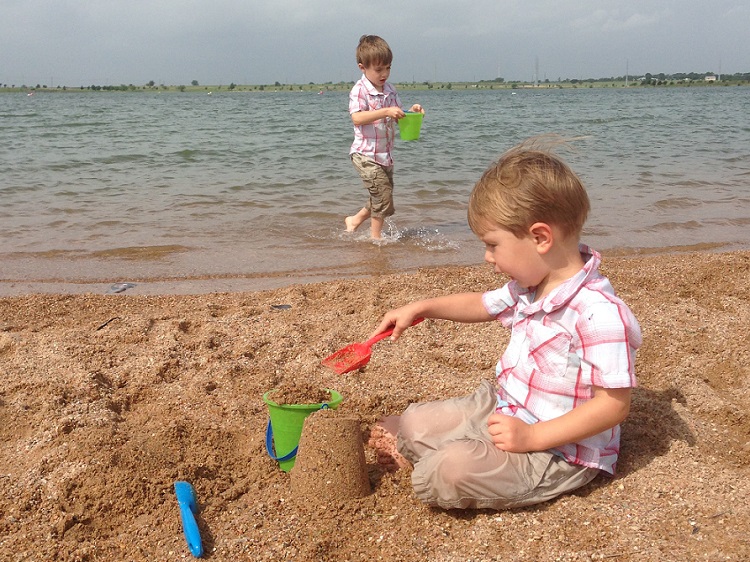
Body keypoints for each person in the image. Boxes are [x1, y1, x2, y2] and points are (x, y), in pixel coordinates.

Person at [368, 139, 643, 510]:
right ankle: (443, 449)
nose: (487, 257)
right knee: (414, 423)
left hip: (557, 449)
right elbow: (482, 304)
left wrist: (533, 437)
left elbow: (613, 407)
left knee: (451, 469)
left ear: (540, 237)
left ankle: (447, 459)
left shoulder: (598, 314)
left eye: (493, 245)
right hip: (507, 407)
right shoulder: (531, 286)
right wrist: (423, 308)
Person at [346, 35, 424, 240]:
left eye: (388, 68)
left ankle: (354, 220)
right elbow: (357, 118)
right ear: (363, 67)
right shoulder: (360, 90)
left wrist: (411, 112)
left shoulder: (390, 90)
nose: (384, 74)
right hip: (365, 154)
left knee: (383, 196)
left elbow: (397, 115)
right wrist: (385, 111)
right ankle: (376, 237)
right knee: (382, 195)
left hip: (385, 155)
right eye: (379, 69)